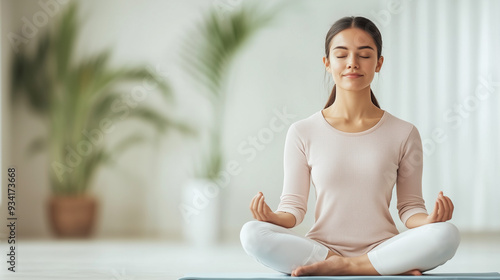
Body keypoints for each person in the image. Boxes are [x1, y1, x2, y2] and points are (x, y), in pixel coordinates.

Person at [239, 16, 460, 277]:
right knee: (251, 233)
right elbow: (293, 209)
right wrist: (274, 217)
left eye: (364, 55)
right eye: (341, 54)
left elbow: (410, 208)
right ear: (327, 63)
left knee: (446, 234)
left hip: (384, 246)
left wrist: (431, 219)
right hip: (322, 248)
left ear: (379, 63)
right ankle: (378, 267)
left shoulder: (404, 132)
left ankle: (346, 267)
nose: (352, 63)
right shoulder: (302, 132)